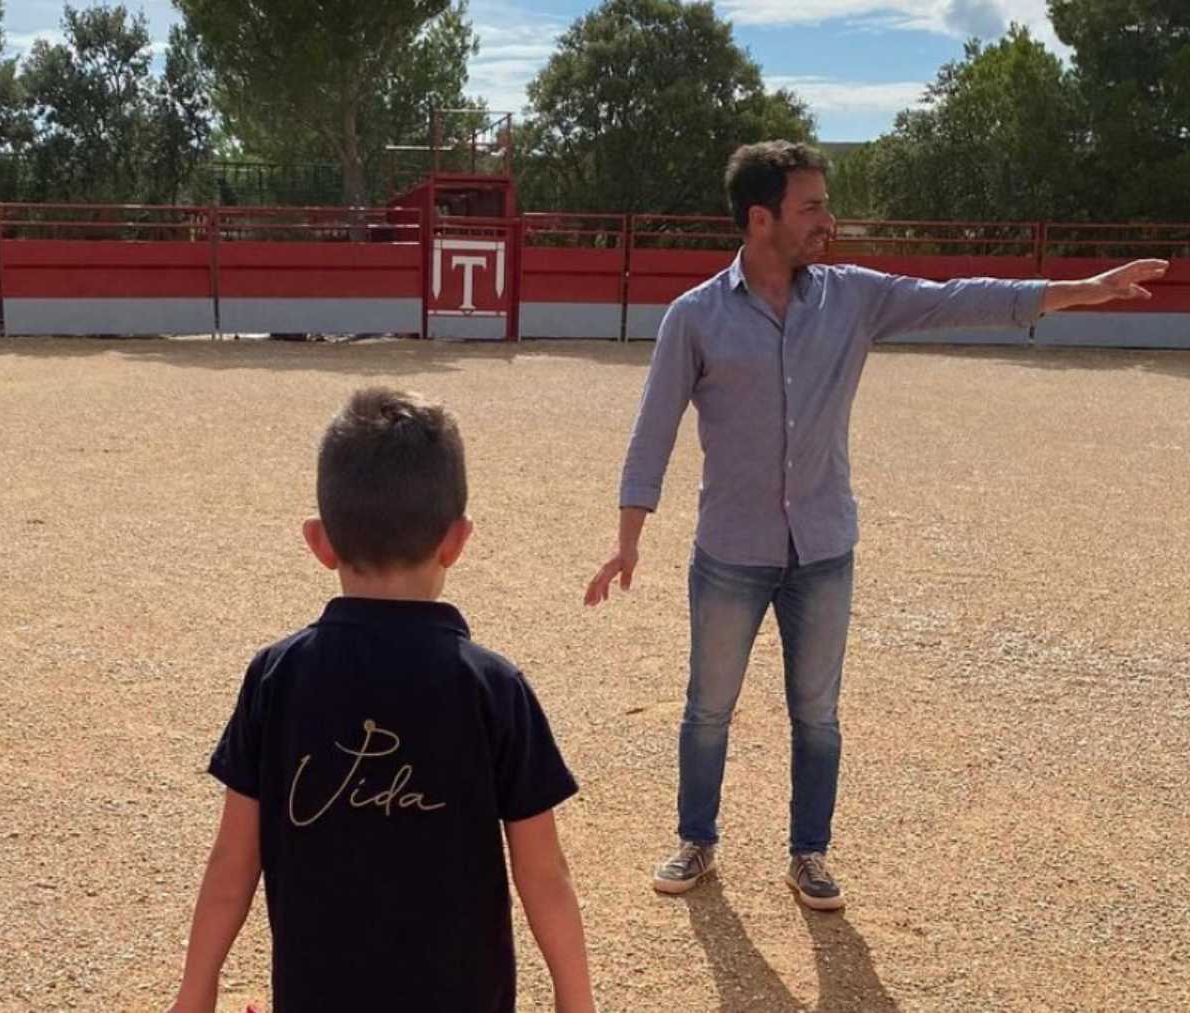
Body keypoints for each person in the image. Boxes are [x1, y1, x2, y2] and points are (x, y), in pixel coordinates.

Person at [584, 140, 1169, 910]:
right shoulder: (694, 317)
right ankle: (697, 839)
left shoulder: (853, 297)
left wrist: (1077, 288)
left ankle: (810, 854)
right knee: (709, 706)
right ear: (761, 219)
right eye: (813, 206)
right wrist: (630, 536)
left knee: (817, 714)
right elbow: (652, 428)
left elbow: (960, 296)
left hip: (824, 546)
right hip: (731, 549)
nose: (830, 218)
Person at [167, 388, 594, 1013]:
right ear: (457, 540)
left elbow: (236, 857)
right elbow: (543, 874)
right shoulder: (493, 688)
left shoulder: (278, 677)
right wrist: (576, 1001)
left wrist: (196, 990)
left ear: (320, 542)